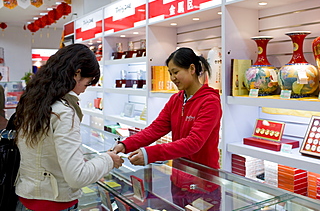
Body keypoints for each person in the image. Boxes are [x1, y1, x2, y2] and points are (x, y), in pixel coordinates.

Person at [14, 44, 124, 211]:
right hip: (54, 202)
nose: (83, 91)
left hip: (26, 199)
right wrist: (109, 159)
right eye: (86, 84)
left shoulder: (34, 102)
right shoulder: (63, 112)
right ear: (76, 73)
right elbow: (77, 177)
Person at [113, 47, 222, 169]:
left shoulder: (210, 101)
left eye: (176, 72)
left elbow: (194, 142)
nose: (172, 78)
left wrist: (150, 153)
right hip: (179, 173)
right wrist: (125, 144)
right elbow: (155, 129)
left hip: (203, 176)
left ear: (192, 69)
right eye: (170, 73)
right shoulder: (176, 99)